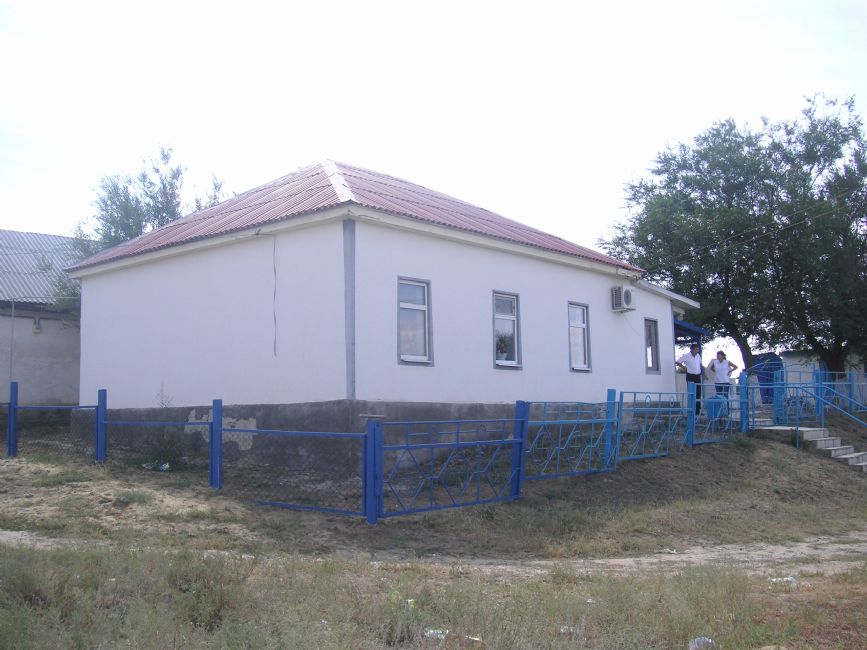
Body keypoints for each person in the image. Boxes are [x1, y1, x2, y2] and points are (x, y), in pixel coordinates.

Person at [676, 343, 703, 415]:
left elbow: (700, 363)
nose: (697, 351)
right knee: (691, 393)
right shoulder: (686, 355)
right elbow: (678, 362)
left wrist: (701, 370)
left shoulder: (698, 356)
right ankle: (691, 410)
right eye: (696, 349)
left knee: (698, 393)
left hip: (697, 376)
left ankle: (697, 411)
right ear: (692, 349)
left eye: (698, 349)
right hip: (690, 376)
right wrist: (685, 368)